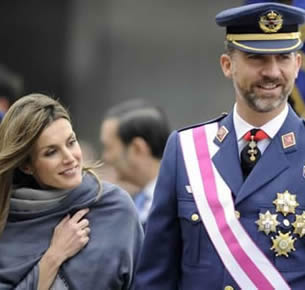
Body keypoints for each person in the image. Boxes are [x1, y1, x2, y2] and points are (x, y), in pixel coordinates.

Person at [134, 2, 305, 289]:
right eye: (256, 58)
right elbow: (155, 276)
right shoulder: (185, 150)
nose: (272, 72)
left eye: (283, 57)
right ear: (228, 65)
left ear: (298, 64)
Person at [0, 93, 143, 289]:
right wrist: (53, 257)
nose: (70, 158)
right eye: (51, 152)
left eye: (71, 142)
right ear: (27, 166)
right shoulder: (7, 221)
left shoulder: (115, 208)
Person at [100, 99, 170, 226]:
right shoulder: (138, 203)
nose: (106, 157)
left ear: (137, 148)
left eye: (109, 147)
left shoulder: (176, 205)